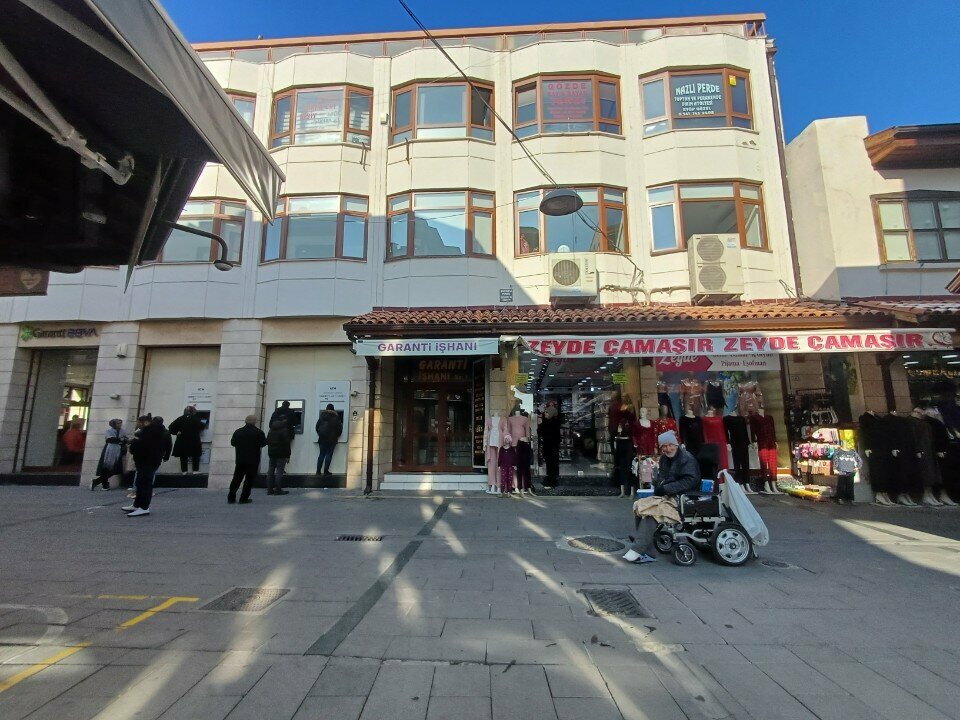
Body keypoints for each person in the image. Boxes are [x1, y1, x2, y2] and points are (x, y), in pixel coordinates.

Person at [623, 430, 700, 564]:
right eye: (664, 446)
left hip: (683, 497)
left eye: (670, 445)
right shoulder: (665, 459)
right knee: (640, 506)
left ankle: (640, 547)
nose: (667, 448)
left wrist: (666, 488)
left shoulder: (686, 458)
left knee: (653, 512)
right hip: (667, 494)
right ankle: (645, 545)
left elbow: (691, 480)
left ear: (676, 444)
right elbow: (662, 477)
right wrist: (657, 484)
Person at [123, 416, 172, 517]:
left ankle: (144, 507)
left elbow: (145, 445)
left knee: (145, 483)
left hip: (147, 460)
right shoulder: (159, 431)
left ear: (145, 422)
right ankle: (137, 505)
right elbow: (166, 445)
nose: (137, 425)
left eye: (139, 422)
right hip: (149, 460)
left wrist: (134, 442)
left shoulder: (150, 432)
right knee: (141, 483)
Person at [229, 415, 267, 504]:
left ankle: (231, 497)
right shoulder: (258, 432)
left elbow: (233, 443)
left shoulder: (238, 431)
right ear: (255, 422)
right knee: (249, 480)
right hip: (253, 460)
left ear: (245, 421)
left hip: (240, 459)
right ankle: (244, 498)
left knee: (236, 479)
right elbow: (263, 443)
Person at [90, 419, 126, 490]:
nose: (119, 425)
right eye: (118, 423)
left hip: (118, 450)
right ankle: (104, 484)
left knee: (115, 468)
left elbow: (124, 439)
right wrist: (121, 440)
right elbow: (110, 439)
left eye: (120, 423)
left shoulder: (122, 431)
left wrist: (123, 441)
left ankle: (97, 482)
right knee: (106, 467)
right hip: (109, 450)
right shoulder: (109, 431)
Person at [169, 405, 204, 474]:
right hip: (194, 440)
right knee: (195, 455)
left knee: (183, 456)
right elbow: (202, 426)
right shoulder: (195, 419)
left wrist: (176, 432)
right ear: (193, 412)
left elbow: (170, 428)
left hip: (182, 440)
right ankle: (195, 470)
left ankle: (184, 471)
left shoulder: (180, 418)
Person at [315, 404, 343, 476]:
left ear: (326, 408)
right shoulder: (336, 417)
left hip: (322, 439)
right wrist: (336, 436)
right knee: (329, 455)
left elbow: (317, 427)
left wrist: (320, 434)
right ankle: (326, 471)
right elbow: (339, 429)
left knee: (321, 454)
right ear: (333, 409)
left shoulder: (322, 416)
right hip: (332, 439)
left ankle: (318, 471)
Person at [266, 418, 291, 496]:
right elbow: (287, 444)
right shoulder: (284, 430)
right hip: (281, 453)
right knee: (279, 471)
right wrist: (288, 455)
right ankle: (278, 490)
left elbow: (267, 440)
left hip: (272, 453)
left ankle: (269, 490)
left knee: (270, 471)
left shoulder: (271, 430)